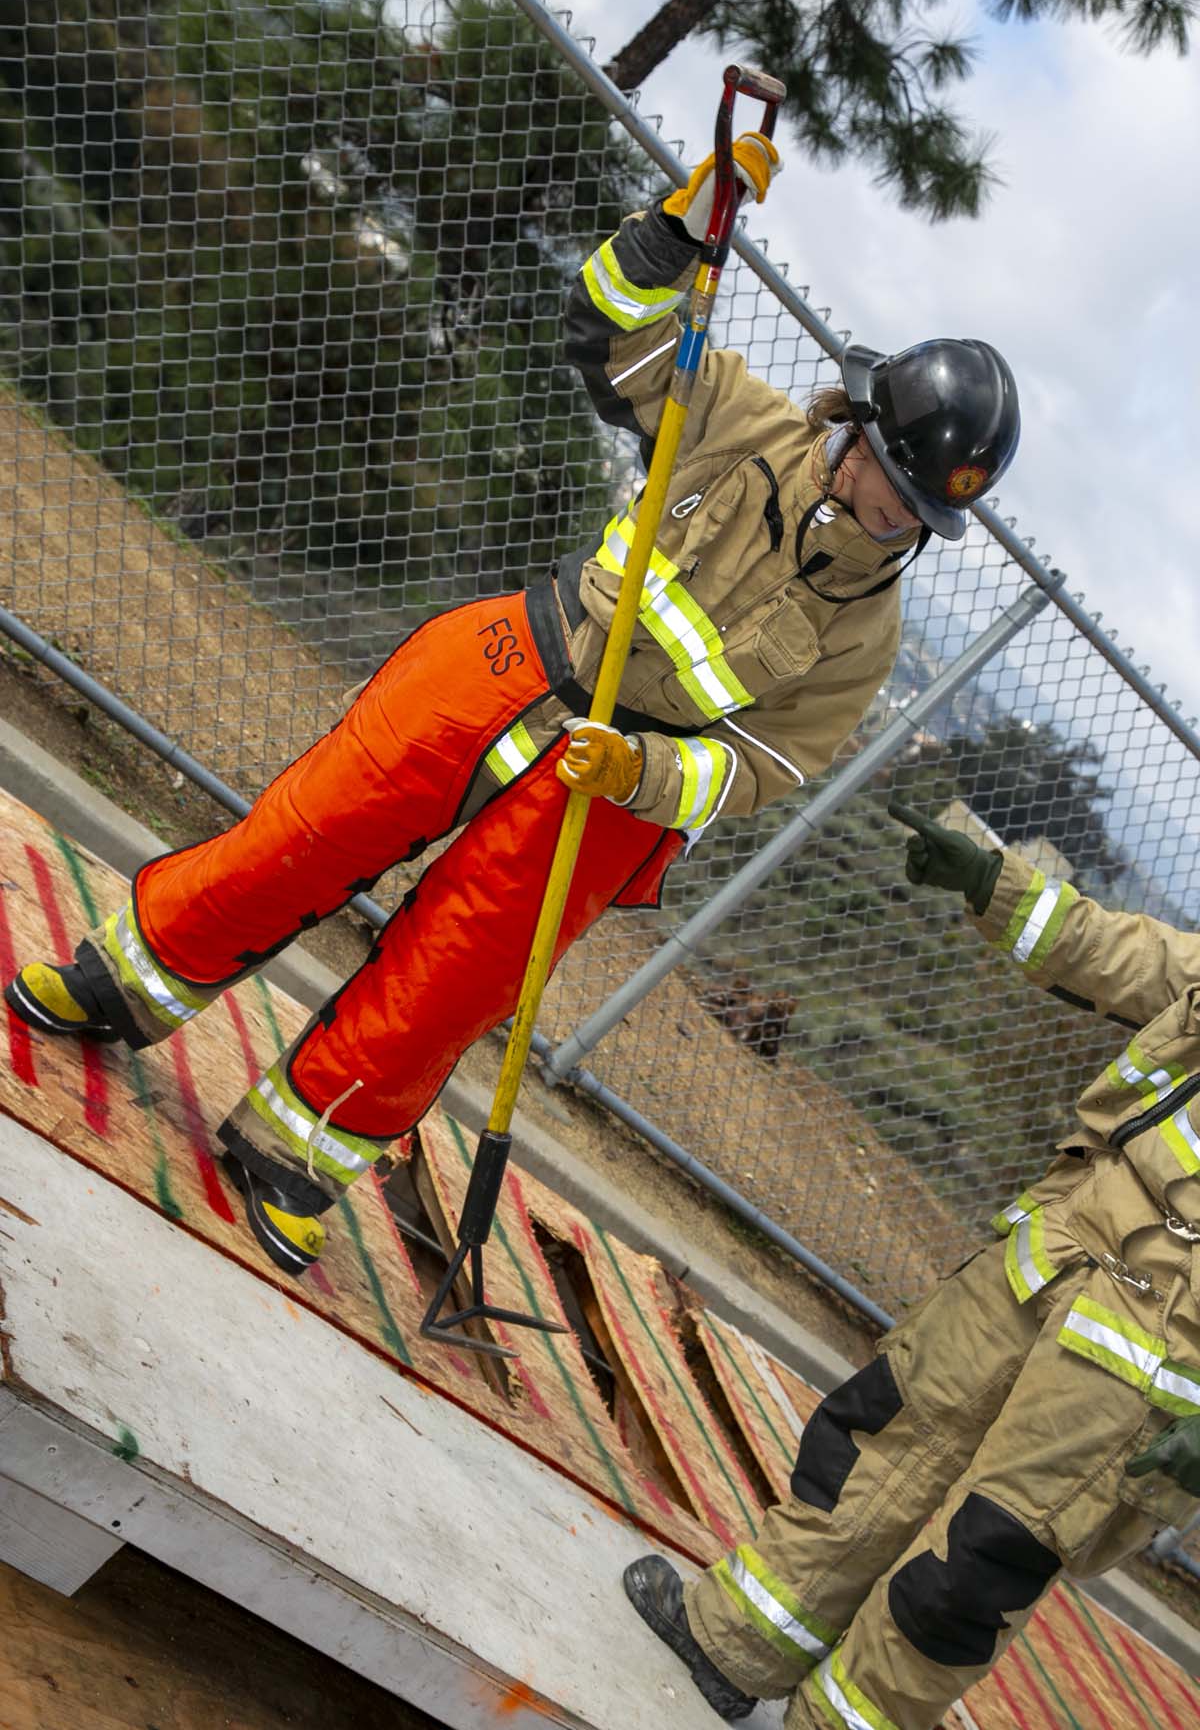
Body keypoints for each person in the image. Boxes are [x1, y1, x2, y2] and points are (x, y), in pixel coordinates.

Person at [3, 140, 1019, 1279]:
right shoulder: (733, 413)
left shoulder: (867, 635)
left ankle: (294, 1152)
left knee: (453, 977)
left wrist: (643, 778)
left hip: (614, 784)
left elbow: (763, 765)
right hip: (521, 658)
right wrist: (677, 230)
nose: (899, 521)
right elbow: (607, 329)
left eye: (920, 518)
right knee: (312, 828)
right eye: (897, 488)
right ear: (864, 430)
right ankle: (116, 984)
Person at [623, 804, 1200, 1730]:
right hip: (1059, 1249)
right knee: (884, 1432)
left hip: (1159, 1353)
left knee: (979, 1563)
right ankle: (736, 1640)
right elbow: (1121, 951)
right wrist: (990, 883)